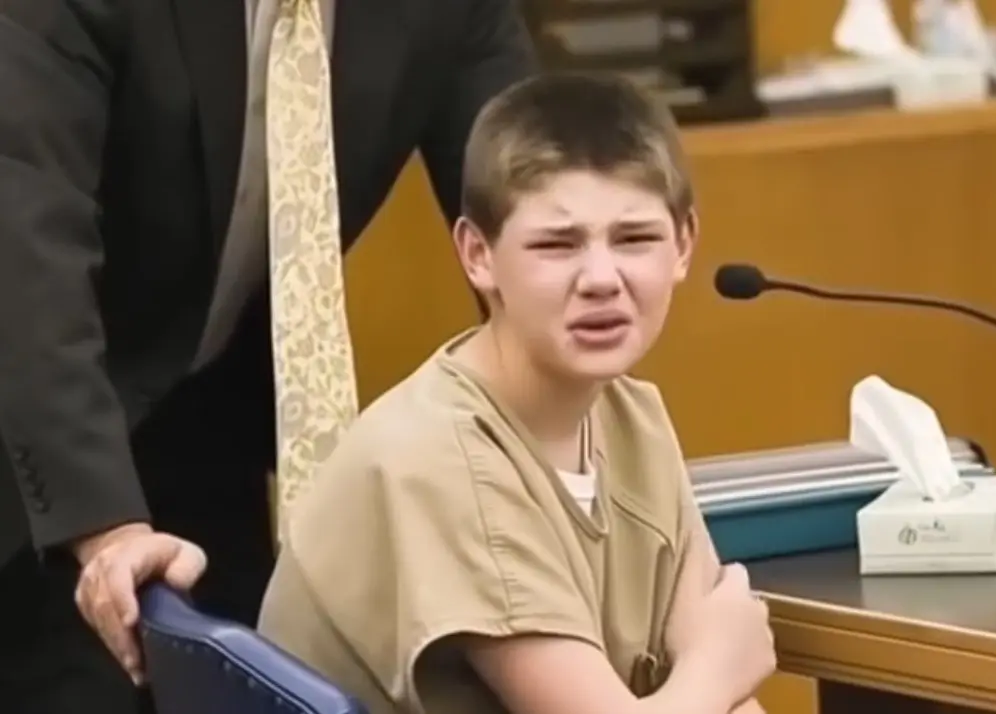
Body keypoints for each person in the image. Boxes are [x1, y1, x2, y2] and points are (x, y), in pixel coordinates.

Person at [0, 0, 535, 712]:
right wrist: (106, 533)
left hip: (207, 420)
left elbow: (539, 210)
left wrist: (583, 473)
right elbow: (26, 258)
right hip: (35, 432)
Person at [258, 72, 776, 714]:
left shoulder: (634, 420)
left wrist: (714, 671)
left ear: (684, 244)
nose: (601, 278)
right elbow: (715, 665)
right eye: (557, 245)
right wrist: (720, 667)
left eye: (634, 239)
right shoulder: (441, 459)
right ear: (478, 255)